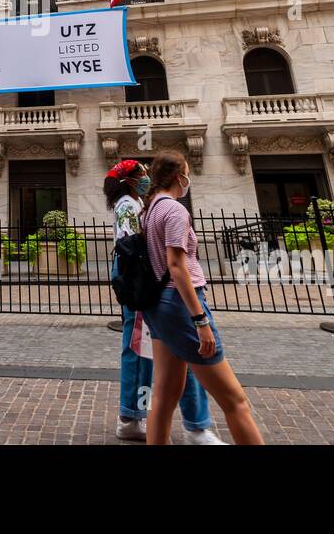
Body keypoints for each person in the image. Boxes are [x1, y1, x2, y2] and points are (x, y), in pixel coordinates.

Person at [139, 150, 264, 445]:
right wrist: (200, 319)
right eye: (187, 172)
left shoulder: (150, 209)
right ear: (178, 176)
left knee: (165, 396)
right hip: (181, 304)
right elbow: (176, 265)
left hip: (158, 306)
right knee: (236, 401)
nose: (189, 178)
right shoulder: (174, 210)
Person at [107, 160, 224, 444]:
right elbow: (131, 249)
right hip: (143, 280)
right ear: (131, 180)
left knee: (149, 349)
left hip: (148, 280)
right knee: (142, 347)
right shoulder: (129, 205)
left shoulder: (139, 204)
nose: (146, 178)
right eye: (142, 175)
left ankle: (138, 417)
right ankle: (142, 418)